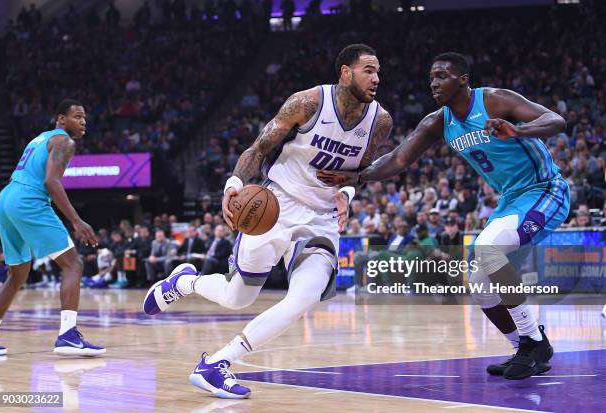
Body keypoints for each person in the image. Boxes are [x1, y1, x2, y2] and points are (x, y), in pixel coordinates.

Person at [143, 44, 391, 398]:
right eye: (369, 69)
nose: (376, 78)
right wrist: (234, 185)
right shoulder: (306, 103)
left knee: (304, 296)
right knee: (237, 297)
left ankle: (218, 363)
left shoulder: (379, 120)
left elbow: (360, 171)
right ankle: (185, 283)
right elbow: (258, 149)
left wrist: (346, 195)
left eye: (378, 71)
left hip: (320, 219)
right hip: (277, 205)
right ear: (345, 72)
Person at [317, 52, 570, 380]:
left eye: (441, 76)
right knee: (478, 279)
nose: (433, 82)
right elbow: (398, 159)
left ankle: (535, 342)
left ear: (463, 79)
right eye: (431, 77)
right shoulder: (438, 121)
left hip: (545, 189)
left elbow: (556, 121)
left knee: (488, 249)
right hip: (511, 201)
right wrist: (357, 176)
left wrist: (519, 131)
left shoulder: (494, 101)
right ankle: (522, 346)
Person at [0, 99, 105, 356]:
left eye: (84, 117)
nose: (83, 121)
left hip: (6, 199)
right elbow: (51, 182)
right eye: (77, 116)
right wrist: (76, 220)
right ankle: (68, 335)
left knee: (17, 275)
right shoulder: (65, 141)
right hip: (28, 201)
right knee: (73, 264)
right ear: (61, 119)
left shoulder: (41, 138)